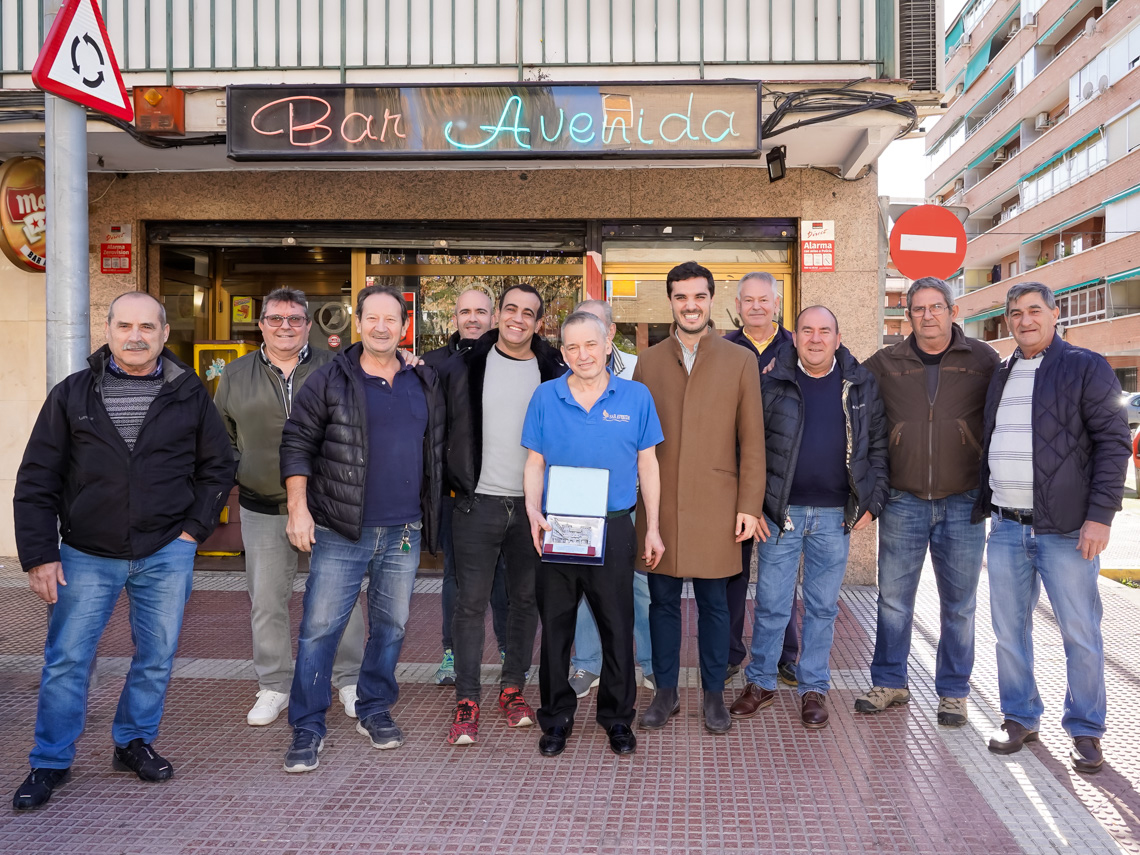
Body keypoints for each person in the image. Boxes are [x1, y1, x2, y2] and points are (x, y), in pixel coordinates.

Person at [11, 292, 235, 810]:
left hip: (165, 551)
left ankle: (132, 742)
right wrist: (40, 553)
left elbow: (218, 466)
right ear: (108, 330)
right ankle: (50, 761)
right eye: (125, 325)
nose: (136, 336)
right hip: (86, 553)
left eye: (147, 327)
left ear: (163, 334)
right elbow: (37, 479)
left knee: (155, 656)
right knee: (68, 660)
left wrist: (192, 532)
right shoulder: (72, 393)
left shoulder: (189, 393)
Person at [278, 285, 444, 773]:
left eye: (391, 319)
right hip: (340, 530)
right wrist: (297, 508)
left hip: (403, 532)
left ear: (403, 326)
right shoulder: (329, 380)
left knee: (390, 628)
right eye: (373, 318)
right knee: (319, 630)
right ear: (359, 321)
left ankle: (374, 708)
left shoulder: (423, 380)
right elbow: (296, 444)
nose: (381, 327)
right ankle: (307, 725)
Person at [975, 281, 1130, 774]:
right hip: (1005, 527)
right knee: (1008, 632)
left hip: (1067, 530)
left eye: (1034, 310)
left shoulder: (1086, 366)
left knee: (1080, 632)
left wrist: (1100, 516)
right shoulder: (1001, 374)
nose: (1025, 320)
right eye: (1015, 313)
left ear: (1055, 313)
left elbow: (1113, 444)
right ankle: (1020, 717)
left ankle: (1086, 730)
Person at [729, 306, 887, 729]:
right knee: (771, 605)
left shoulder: (860, 383)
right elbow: (747, 445)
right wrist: (755, 505)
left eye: (824, 331)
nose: (815, 338)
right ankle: (760, 682)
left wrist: (873, 501)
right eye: (807, 330)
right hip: (782, 514)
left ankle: (813, 687)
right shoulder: (772, 381)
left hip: (837, 515)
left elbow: (878, 446)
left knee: (822, 607)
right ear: (793, 337)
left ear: (838, 338)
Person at [215, 287, 365, 727]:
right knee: (266, 600)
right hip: (262, 507)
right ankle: (274, 685)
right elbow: (222, 440)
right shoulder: (235, 375)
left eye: (295, 319)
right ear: (261, 324)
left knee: (344, 597)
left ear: (308, 324)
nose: (285, 327)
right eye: (276, 319)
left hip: (328, 504)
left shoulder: (336, 368)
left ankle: (350, 679)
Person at [853, 277, 998, 726]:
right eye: (918, 308)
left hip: (963, 500)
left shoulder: (983, 360)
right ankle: (890, 682)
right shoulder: (884, 362)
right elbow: (843, 378)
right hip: (903, 499)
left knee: (960, 604)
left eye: (936, 307)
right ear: (906, 313)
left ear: (953, 312)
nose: (928, 315)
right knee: (894, 600)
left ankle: (954, 691)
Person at [521, 311, 666, 756]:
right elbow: (534, 463)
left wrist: (652, 528)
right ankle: (556, 718)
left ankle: (617, 719)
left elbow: (648, 464)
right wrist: (532, 511)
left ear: (608, 346)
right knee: (557, 629)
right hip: (559, 525)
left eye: (590, 345)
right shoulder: (546, 397)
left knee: (617, 627)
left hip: (615, 524)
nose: (582, 355)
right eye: (571, 347)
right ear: (562, 352)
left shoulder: (636, 396)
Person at [633, 261, 766, 735]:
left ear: (712, 300)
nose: (690, 305)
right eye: (681, 297)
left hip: (719, 505)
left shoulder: (740, 360)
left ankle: (714, 696)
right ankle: (665, 693)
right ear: (670, 301)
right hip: (661, 505)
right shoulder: (646, 362)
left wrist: (749, 505)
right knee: (662, 601)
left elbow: (752, 440)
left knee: (716, 605)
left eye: (699, 296)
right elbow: (638, 439)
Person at [437, 284, 567, 746]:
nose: (517, 318)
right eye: (510, 309)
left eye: (528, 312)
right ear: (499, 315)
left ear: (538, 321)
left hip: (535, 508)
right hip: (477, 503)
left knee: (524, 602)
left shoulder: (555, 369)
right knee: (470, 605)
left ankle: (513, 688)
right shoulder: (462, 365)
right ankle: (467, 699)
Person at [565, 298, 654, 698]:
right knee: (584, 587)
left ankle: (648, 663)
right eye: (575, 338)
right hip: (576, 507)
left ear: (610, 334)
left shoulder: (638, 371)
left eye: (593, 331)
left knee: (639, 586)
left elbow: (646, 448)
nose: (584, 347)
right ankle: (587, 664)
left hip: (626, 507)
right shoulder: (564, 374)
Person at [421, 287, 510, 687]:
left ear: (493, 317)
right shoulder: (434, 364)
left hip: (507, 491)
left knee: (507, 579)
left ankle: (510, 648)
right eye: (464, 311)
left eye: (481, 311)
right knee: (456, 578)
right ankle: (452, 652)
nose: (472, 318)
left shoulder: (513, 360)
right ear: (454, 317)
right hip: (456, 494)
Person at [723, 271, 799, 687]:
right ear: (737, 305)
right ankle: (732, 651)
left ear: (776, 303)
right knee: (733, 571)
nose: (755, 306)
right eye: (747, 300)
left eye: (763, 300)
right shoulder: (723, 348)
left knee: (779, 574)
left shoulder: (797, 344)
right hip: (734, 474)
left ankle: (784, 654)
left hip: (783, 476)